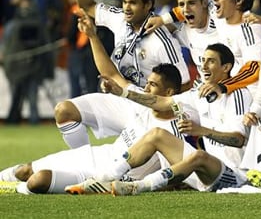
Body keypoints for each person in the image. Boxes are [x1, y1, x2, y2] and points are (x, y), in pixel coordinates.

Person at [0, 13, 186, 194]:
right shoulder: (140, 102)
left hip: (103, 176)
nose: (146, 88)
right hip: (95, 155)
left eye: (152, 85)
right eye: (147, 83)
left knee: (37, 180)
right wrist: (92, 36)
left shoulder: (171, 132)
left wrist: (137, 185)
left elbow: (176, 173)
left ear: (169, 92)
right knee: (24, 170)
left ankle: (15, 190)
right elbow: (111, 74)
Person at [67, 43, 251, 196]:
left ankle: (139, 186)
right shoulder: (198, 94)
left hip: (232, 176)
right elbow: (161, 102)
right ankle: (105, 178)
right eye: (202, 61)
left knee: (199, 156)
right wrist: (122, 93)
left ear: (226, 67)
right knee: (156, 134)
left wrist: (202, 131)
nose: (203, 66)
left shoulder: (238, 94)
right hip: (202, 176)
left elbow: (238, 139)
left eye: (211, 61)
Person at [54, 0, 190, 149]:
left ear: (148, 5)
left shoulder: (164, 42)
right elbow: (88, 5)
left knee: (123, 169)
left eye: (133, 3)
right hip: (119, 97)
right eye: (125, 2)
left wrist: (171, 123)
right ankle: (83, 159)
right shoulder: (119, 19)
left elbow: (183, 88)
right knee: (64, 110)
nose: (126, 8)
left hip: (148, 110)